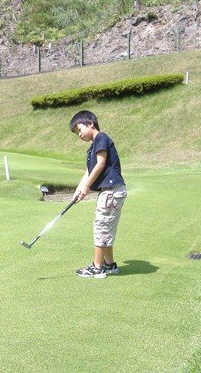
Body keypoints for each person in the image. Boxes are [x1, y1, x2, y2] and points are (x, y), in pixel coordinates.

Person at [70, 110, 127, 279]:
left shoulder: (101, 138)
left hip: (111, 191)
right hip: (109, 192)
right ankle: (109, 264)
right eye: (77, 133)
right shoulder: (92, 148)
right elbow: (89, 172)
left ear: (90, 124)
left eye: (80, 129)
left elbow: (100, 164)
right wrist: (78, 190)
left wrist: (87, 187)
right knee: (105, 227)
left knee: (101, 227)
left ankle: (97, 268)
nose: (80, 134)